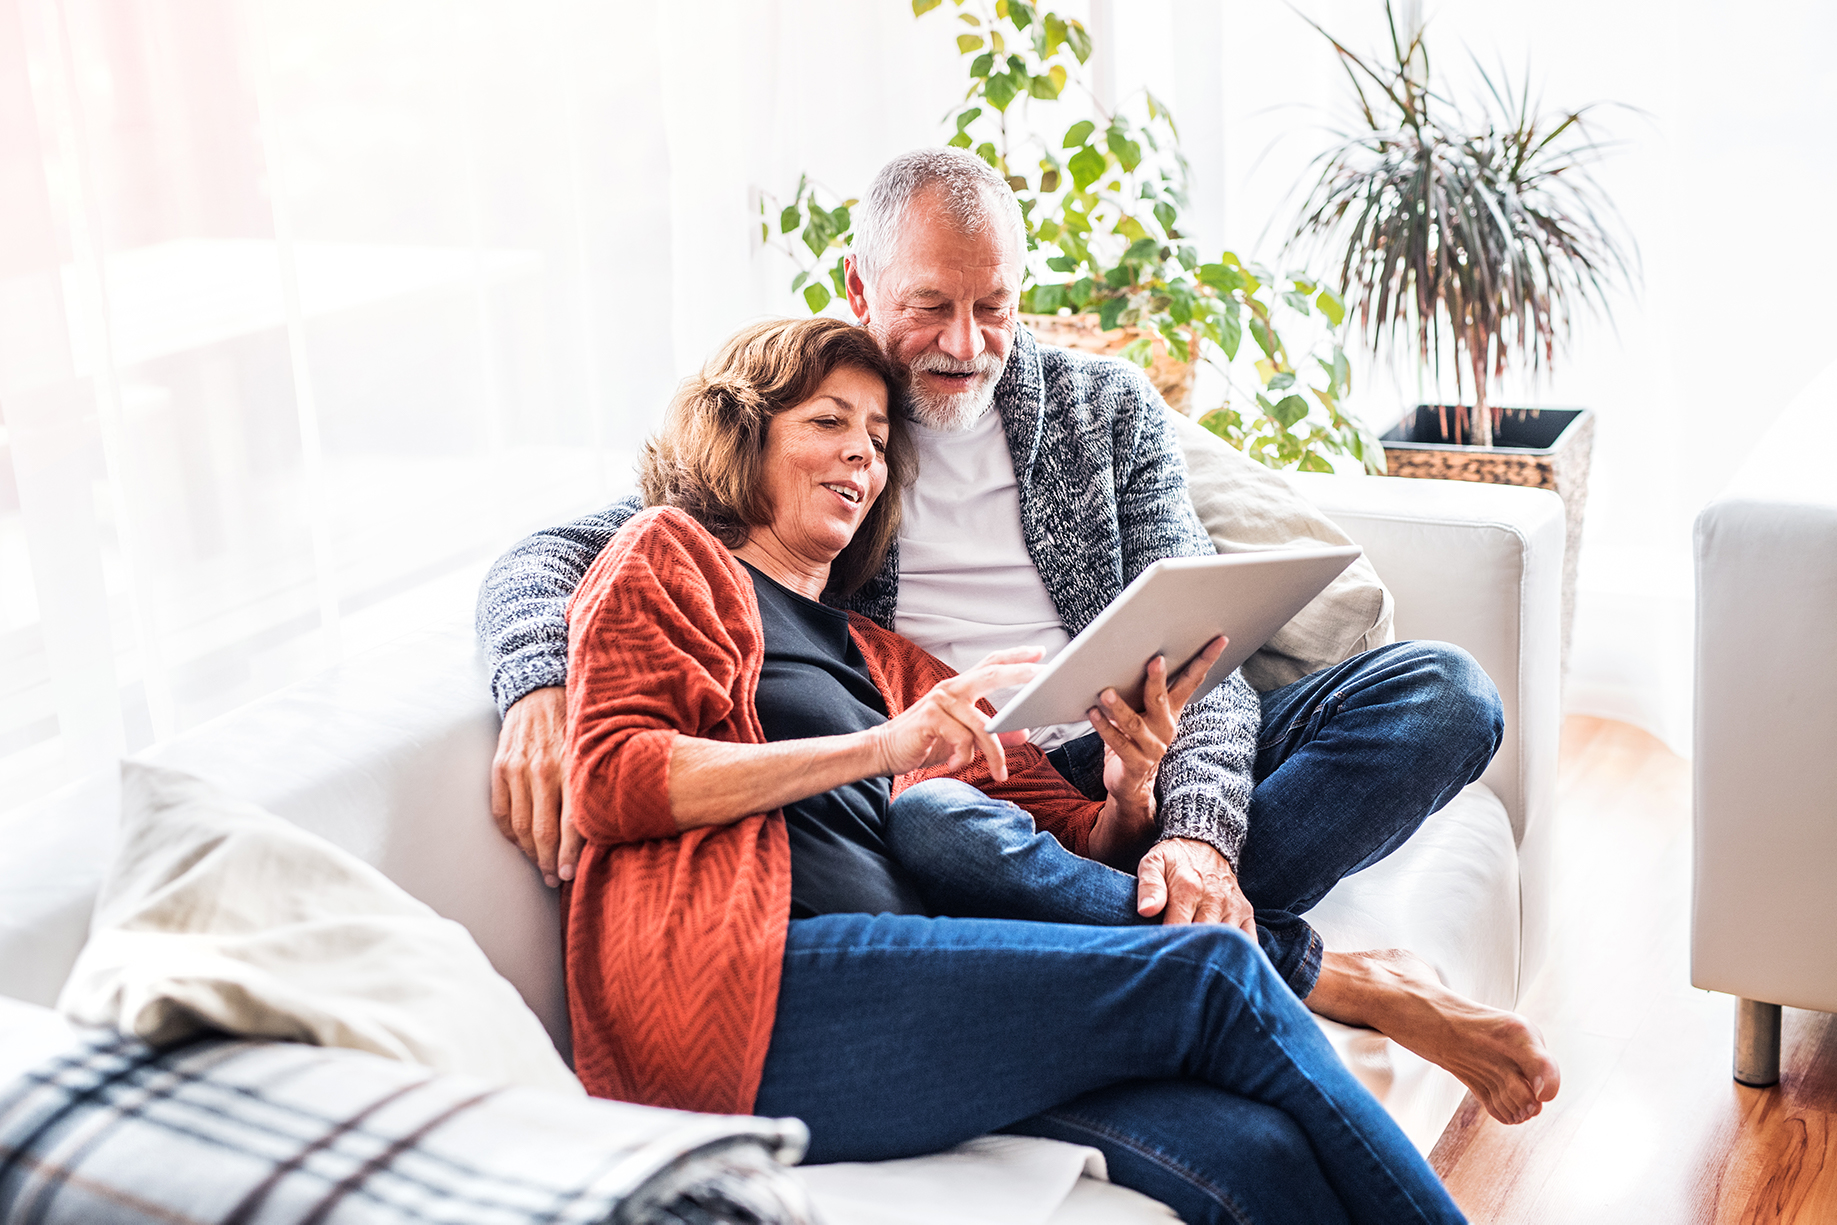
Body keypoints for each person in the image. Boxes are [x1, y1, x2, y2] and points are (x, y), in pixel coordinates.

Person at [477, 146, 1559, 1129]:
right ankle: (1296, 969)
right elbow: (558, 554)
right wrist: (536, 687)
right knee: (943, 829)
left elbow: (1208, 652)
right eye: (931, 306)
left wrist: (1193, 829)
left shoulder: (1103, 410)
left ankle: (1152, 924)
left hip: (1127, 742)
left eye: (993, 307)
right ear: (860, 290)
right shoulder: (817, 423)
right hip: (969, 779)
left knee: (1443, 696)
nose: (965, 344)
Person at [564, 312, 1466, 1224]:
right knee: (1214, 975)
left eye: (877, 439)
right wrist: (882, 747)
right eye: (828, 423)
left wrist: (1126, 791)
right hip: (751, 993)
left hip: (925, 989)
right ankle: (1308, 972)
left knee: (1253, 1154)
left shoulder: (888, 660)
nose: (859, 459)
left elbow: (1074, 839)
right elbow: (612, 778)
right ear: (742, 428)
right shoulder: (670, 558)